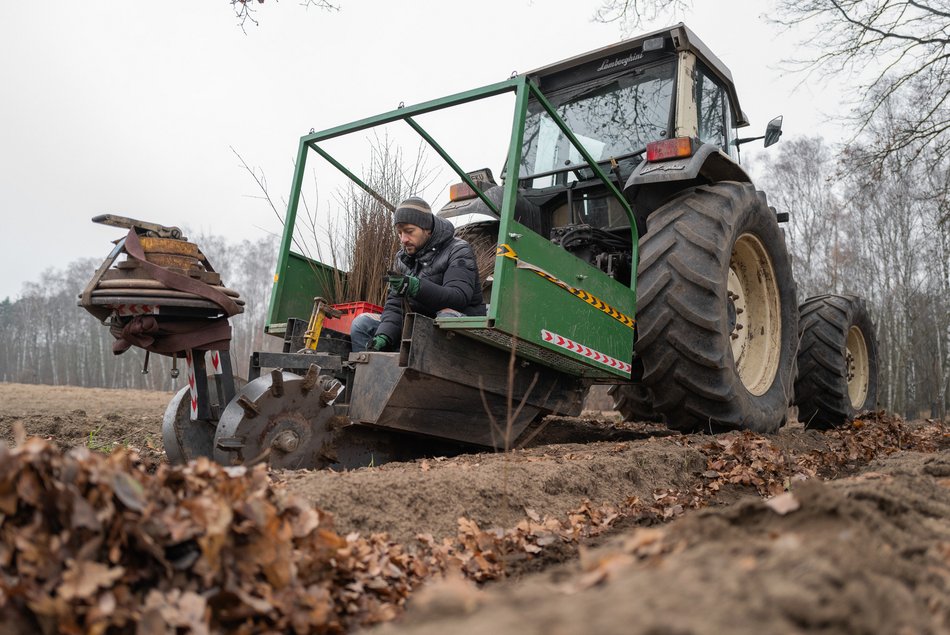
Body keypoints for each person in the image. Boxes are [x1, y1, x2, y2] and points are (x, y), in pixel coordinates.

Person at [350, 196, 486, 352]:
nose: (403, 239)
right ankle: (369, 371)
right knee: (361, 324)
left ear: (427, 229)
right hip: (419, 324)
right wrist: (384, 335)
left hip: (460, 323)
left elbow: (458, 297)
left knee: (445, 318)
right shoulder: (402, 258)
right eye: (399, 233)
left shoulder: (458, 249)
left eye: (409, 232)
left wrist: (416, 287)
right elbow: (396, 306)